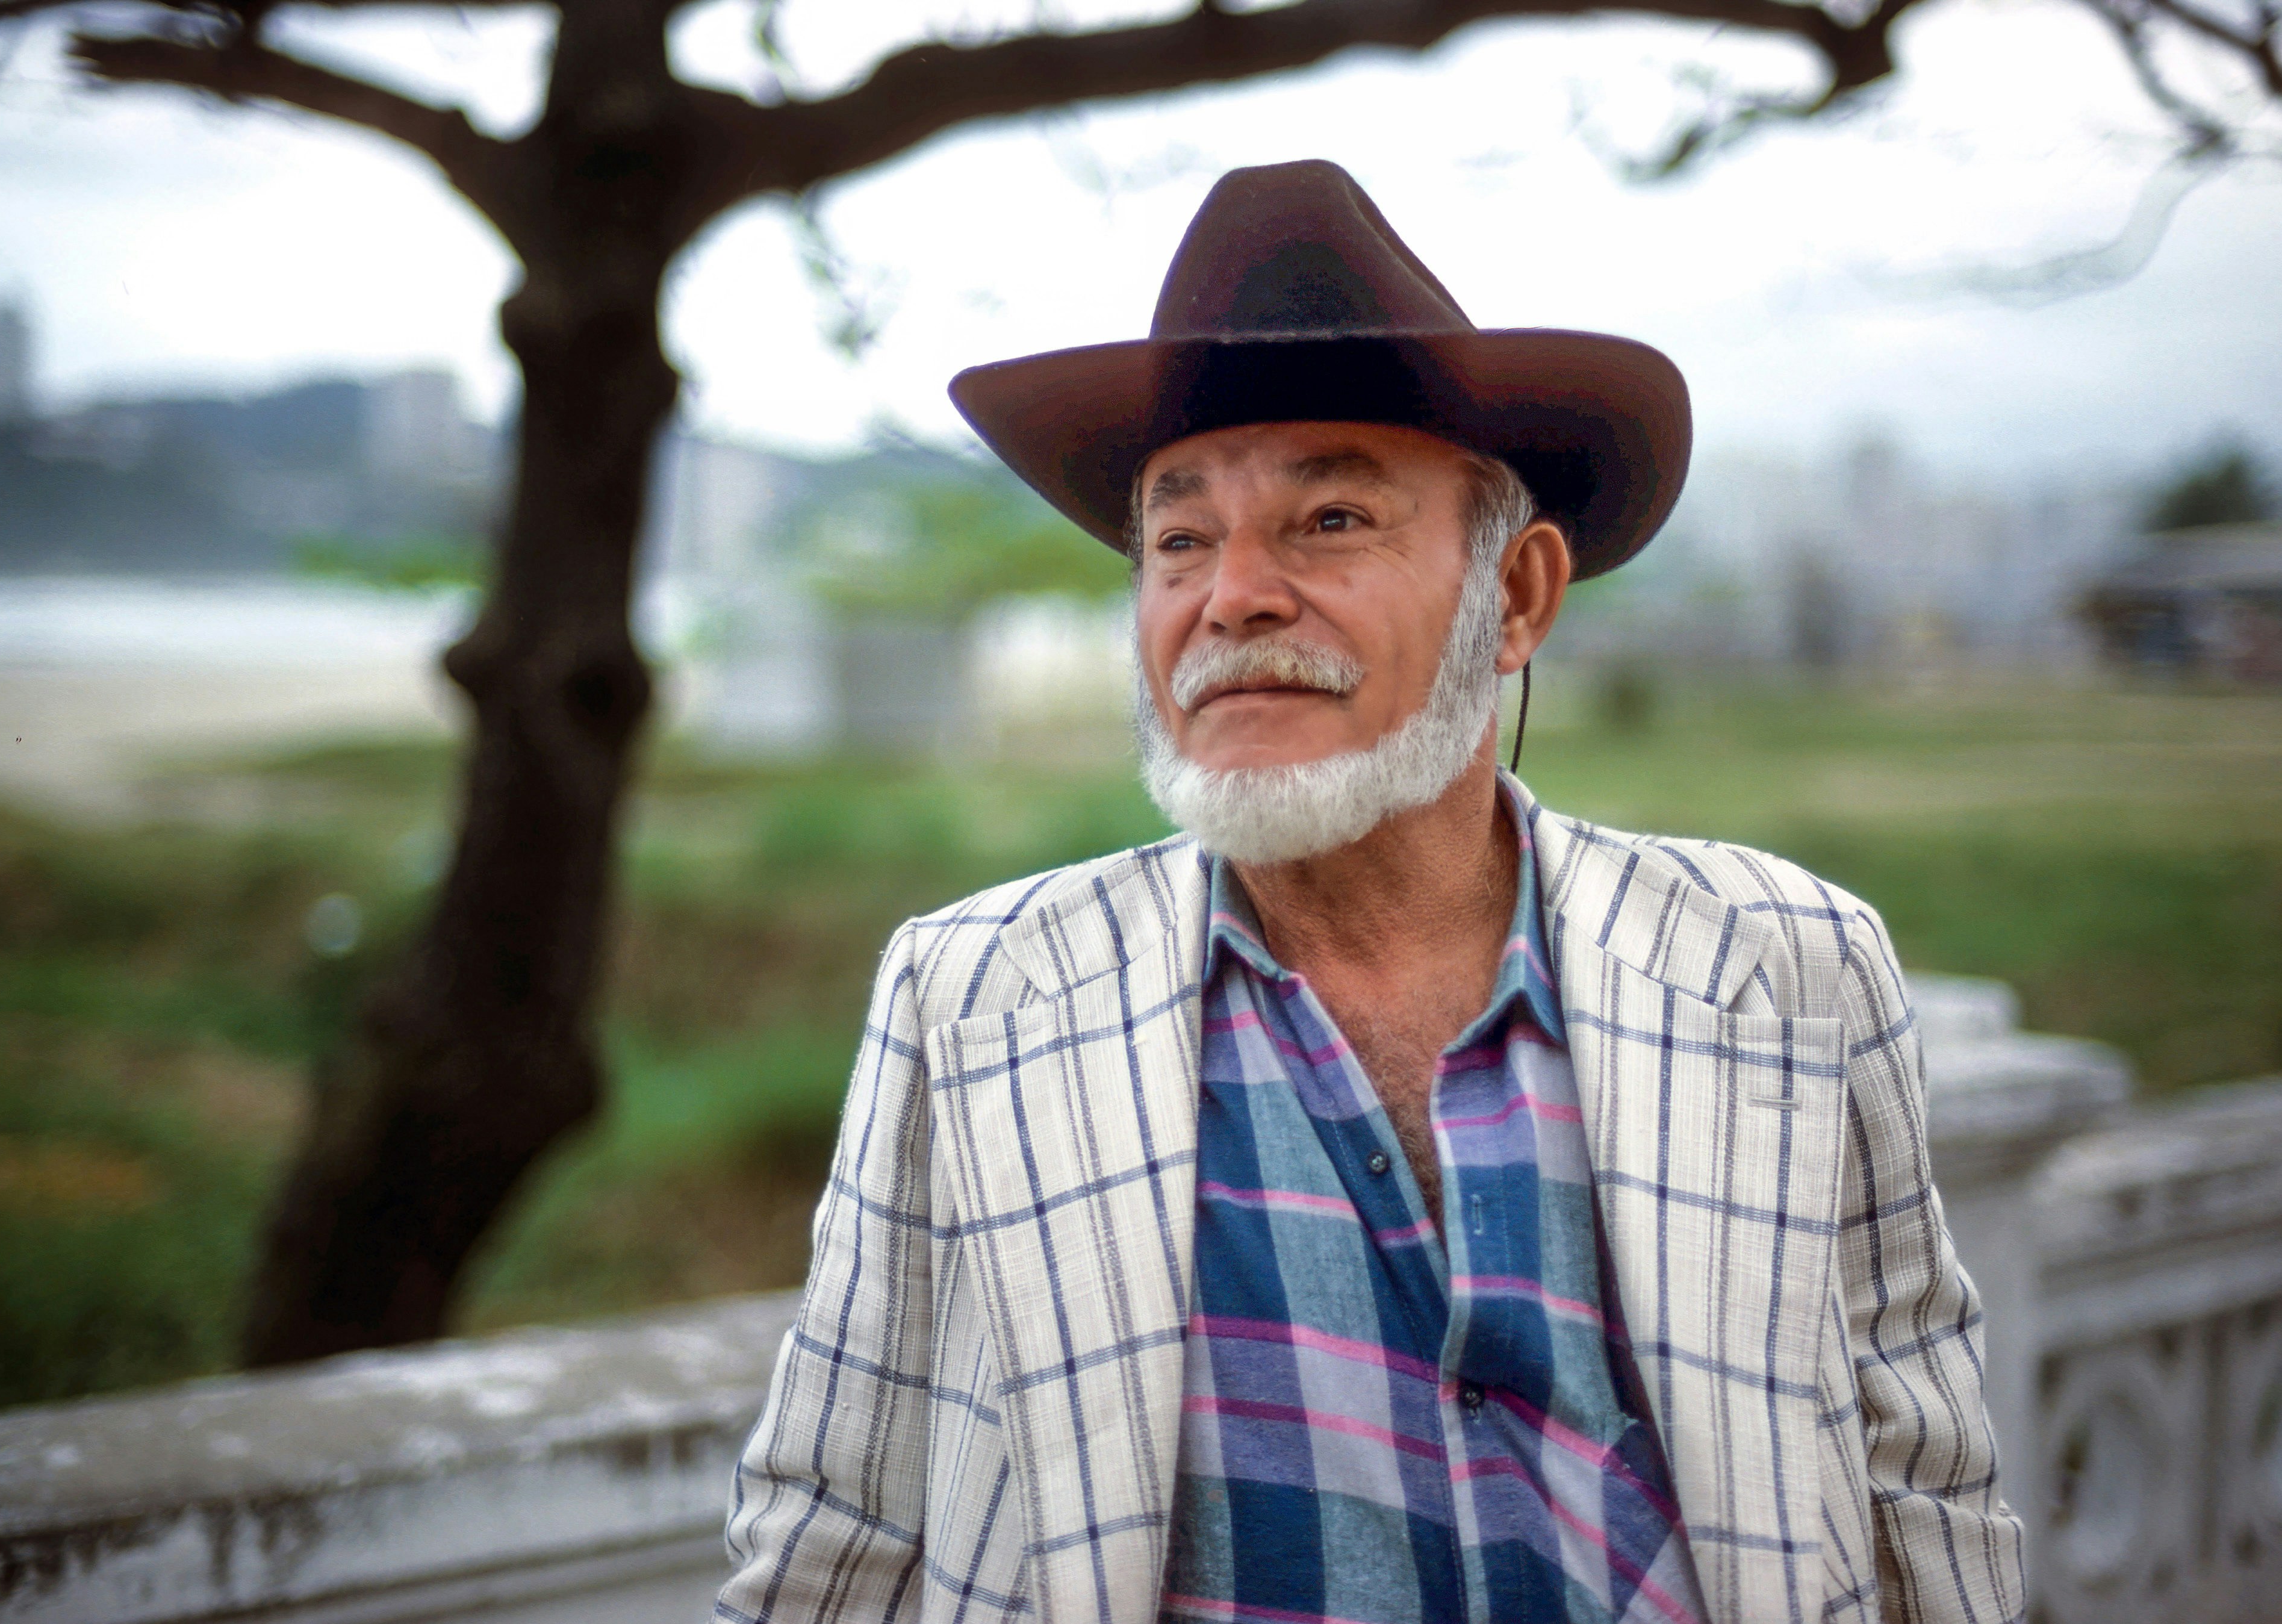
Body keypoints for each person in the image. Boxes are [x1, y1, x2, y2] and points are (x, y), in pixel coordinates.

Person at [714, 160, 2023, 1624]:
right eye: (1178, 537)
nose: (1232, 595)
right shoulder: (971, 999)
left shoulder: (1787, 968)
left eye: (1329, 519)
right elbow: (836, 1539)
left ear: (1515, 597)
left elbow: (1926, 1501)